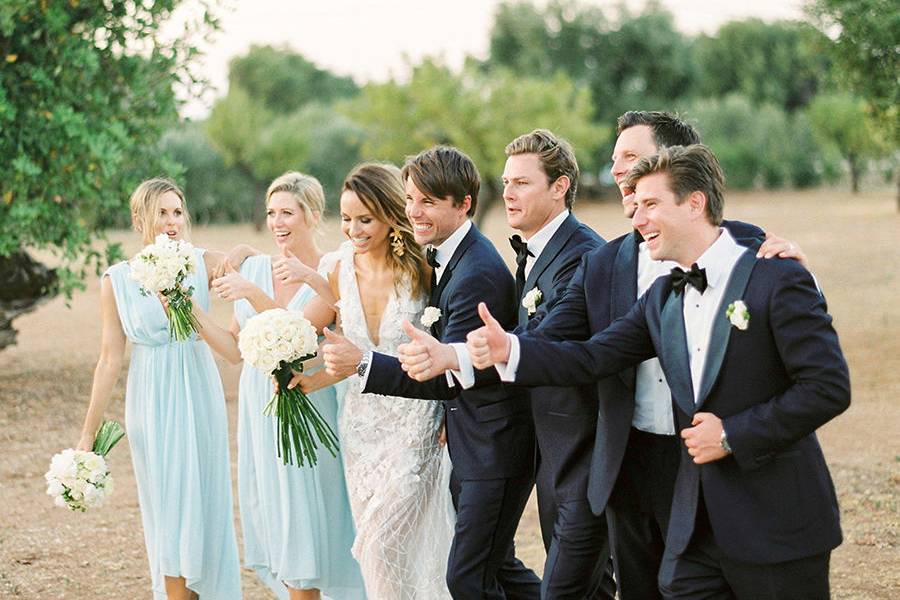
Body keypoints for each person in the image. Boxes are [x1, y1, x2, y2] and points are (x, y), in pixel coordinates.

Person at [468, 144, 850, 599]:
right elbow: (593, 356)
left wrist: (732, 434)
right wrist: (510, 349)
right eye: (636, 205)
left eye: (651, 204)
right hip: (696, 531)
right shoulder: (664, 297)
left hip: (776, 520)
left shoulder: (776, 277)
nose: (637, 218)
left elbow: (828, 388)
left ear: (694, 204)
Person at [397, 130, 615, 598]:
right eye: (506, 182)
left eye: (522, 183)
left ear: (559, 187)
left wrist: (451, 356)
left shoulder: (583, 254)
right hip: (548, 443)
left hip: (580, 443)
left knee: (574, 584)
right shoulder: (537, 252)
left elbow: (546, 337)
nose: (509, 193)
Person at [321, 147, 541, 599]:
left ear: (462, 204)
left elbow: (445, 371)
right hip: (461, 437)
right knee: (496, 568)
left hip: (490, 444)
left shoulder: (476, 269)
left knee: (465, 576)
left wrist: (362, 363)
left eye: (427, 202)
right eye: (409, 200)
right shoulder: (443, 257)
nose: (413, 213)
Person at [190, 172, 365, 600]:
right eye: (271, 212)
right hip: (260, 404)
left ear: (311, 214)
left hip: (310, 400)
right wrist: (186, 308)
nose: (277, 221)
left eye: (287, 212)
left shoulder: (331, 272)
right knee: (278, 513)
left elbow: (300, 335)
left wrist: (251, 292)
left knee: (309, 512)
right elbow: (234, 350)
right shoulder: (254, 266)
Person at [292, 162, 455, 599]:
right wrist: (297, 371)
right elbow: (313, 338)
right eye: (345, 219)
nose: (353, 230)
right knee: (380, 548)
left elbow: (444, 347)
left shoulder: (425, 266)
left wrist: (450, 413)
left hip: (415, 421)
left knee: (381, 545)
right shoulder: (335, 269)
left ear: (388, 215)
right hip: (361, 427)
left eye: (364, 219)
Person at [75, 178, 241, 600]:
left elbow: (252, 262)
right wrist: (87, 434)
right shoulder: (117, 279)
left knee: (203, 505)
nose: (171, 222)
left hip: (199, 392)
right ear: (139, 220)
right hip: (151, 401)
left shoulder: (203, 262)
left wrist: (238, 254)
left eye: (177, 212)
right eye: (161, 213)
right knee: (169, 512)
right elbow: (109, 359)